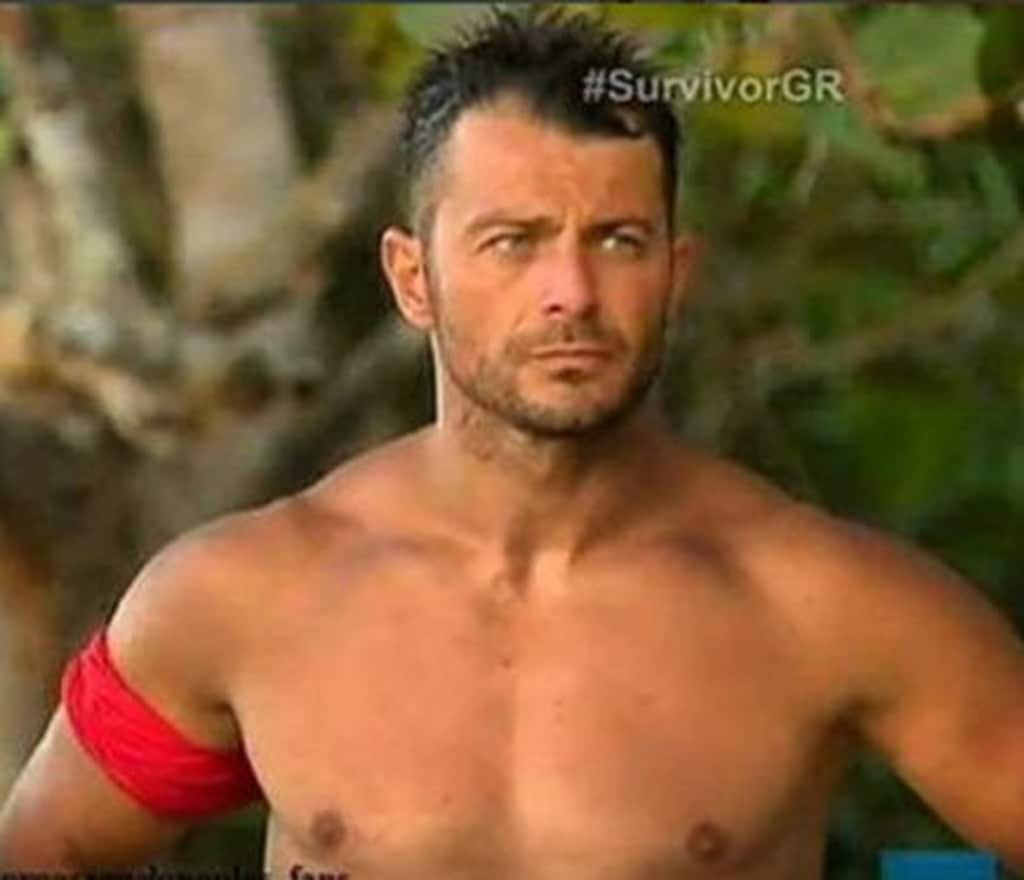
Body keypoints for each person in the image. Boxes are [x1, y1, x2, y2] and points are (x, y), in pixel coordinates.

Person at [2, 8, 1023, 879]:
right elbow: (47, 851)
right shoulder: (245, 593)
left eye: (617, 241)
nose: (570, 293)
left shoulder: (823, 604)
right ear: (413, 279)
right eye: (513, 242)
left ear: (675, 274)